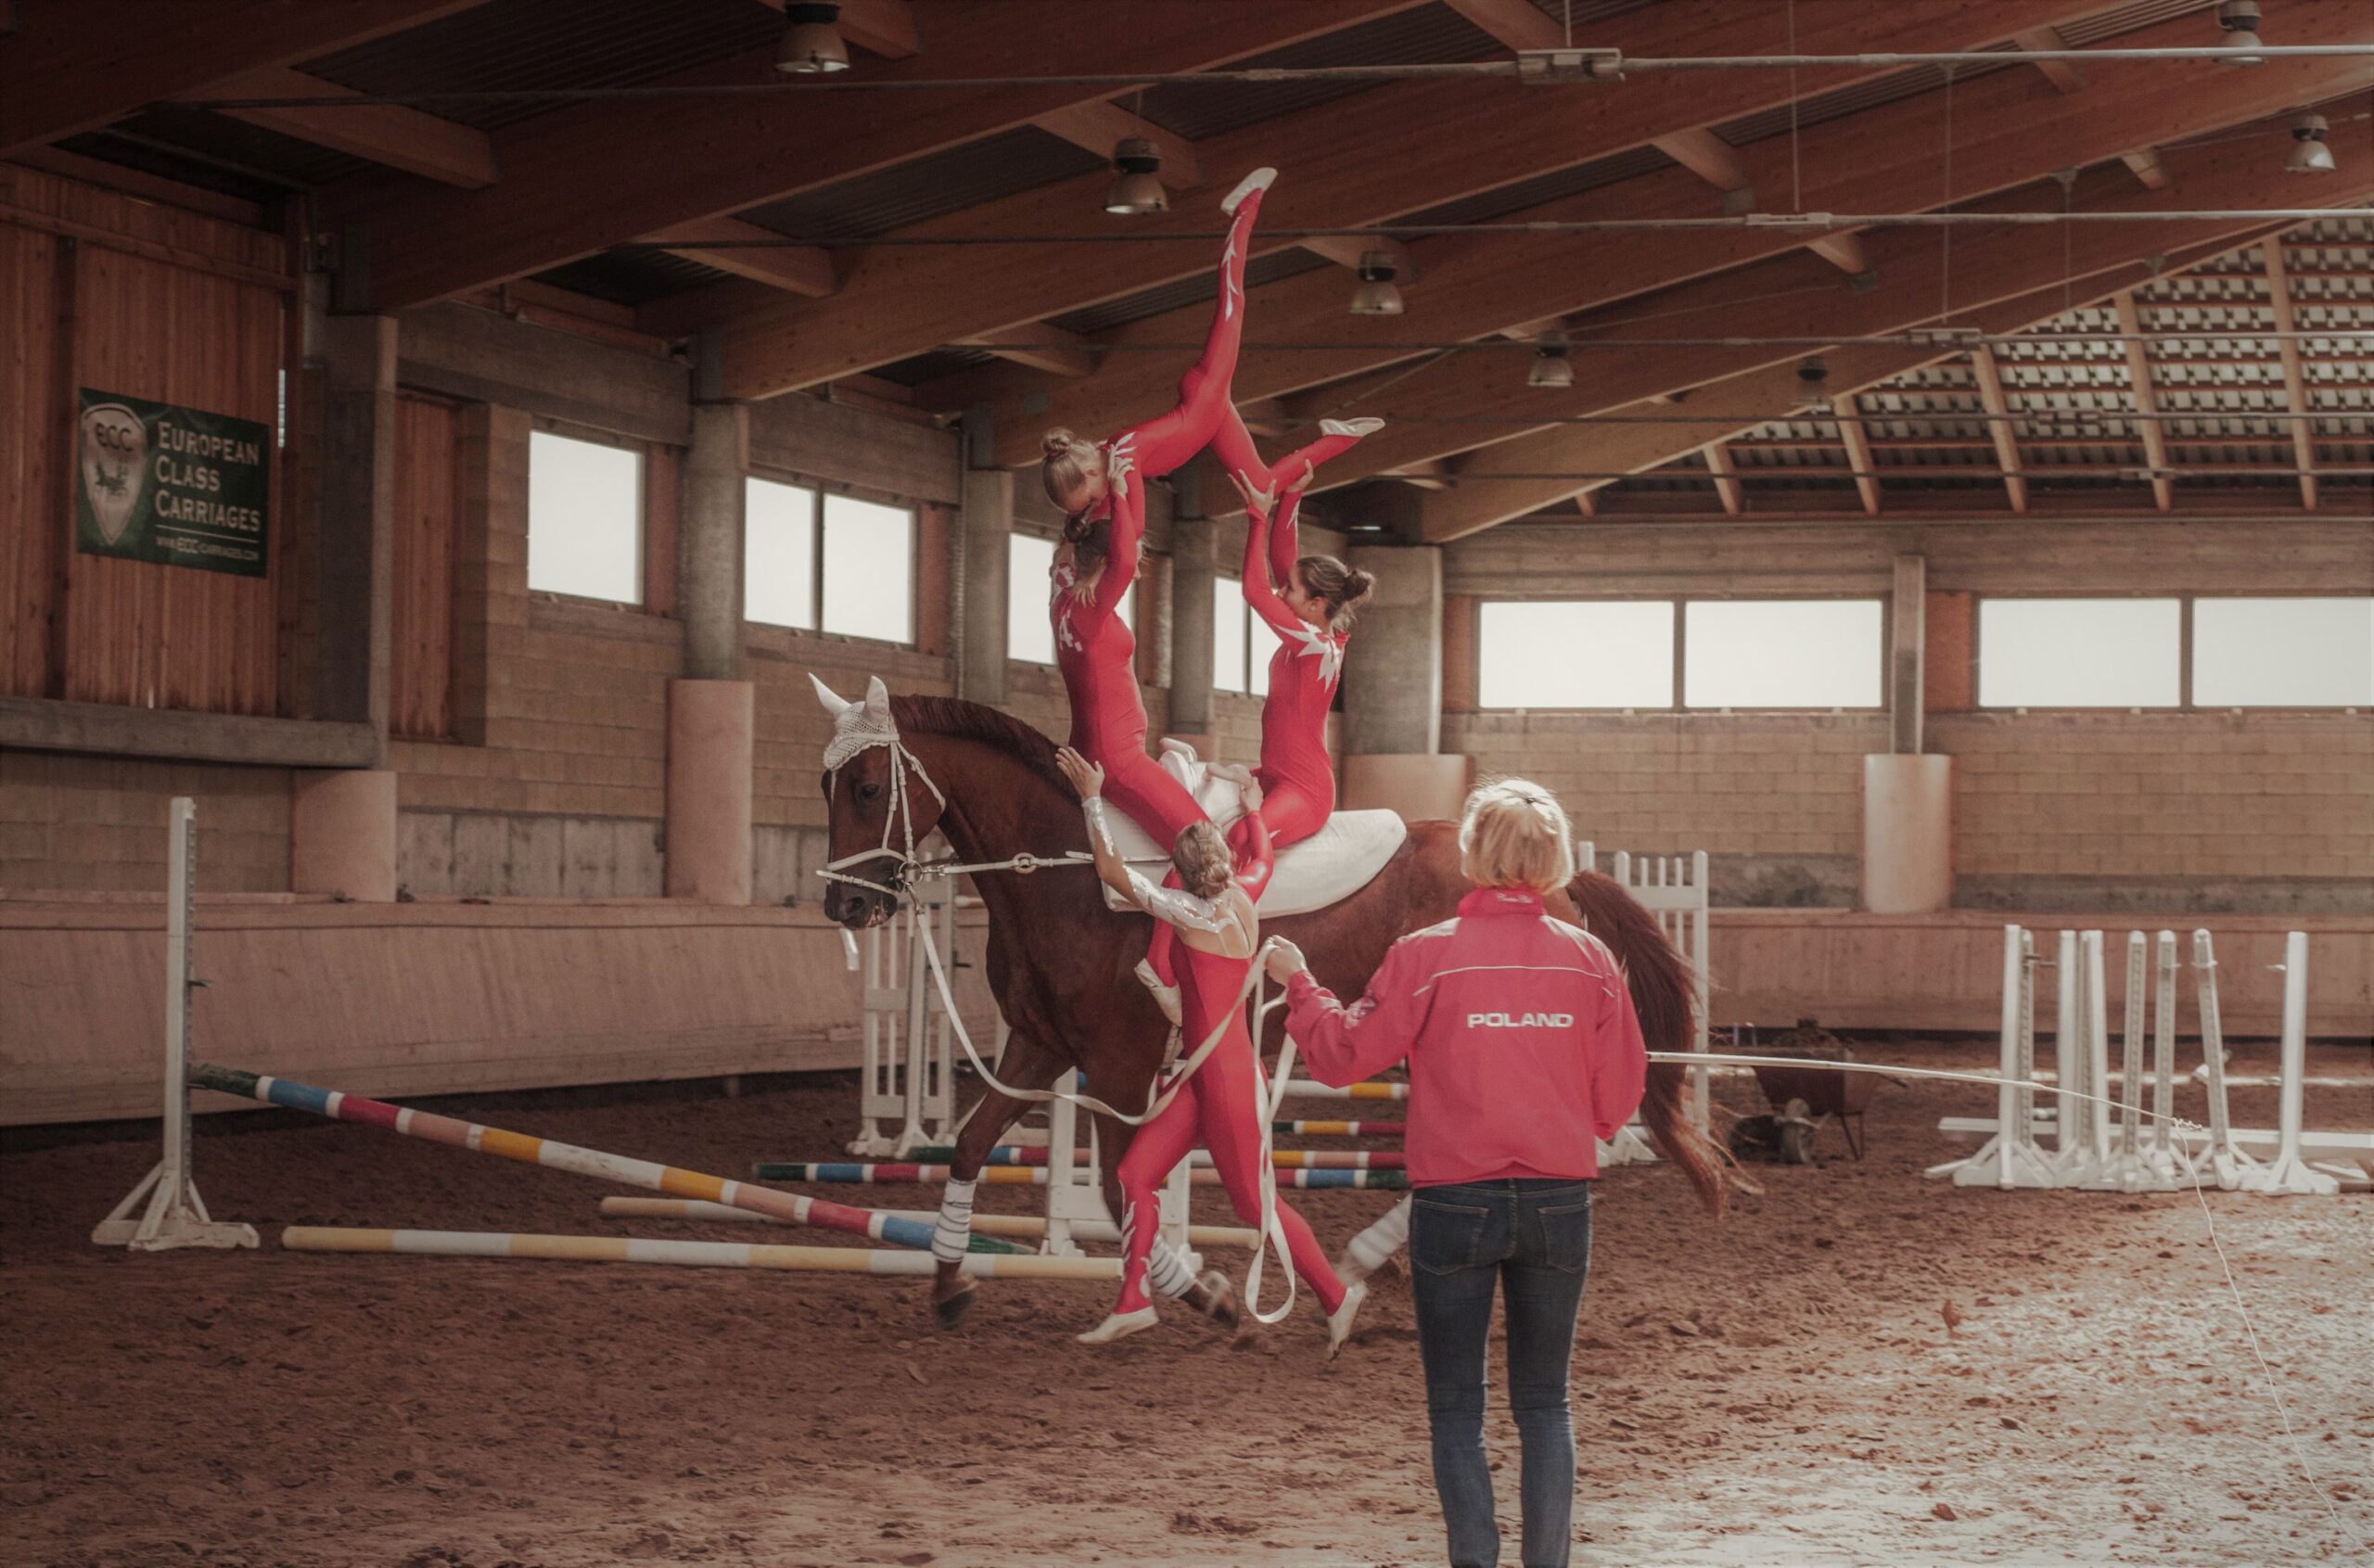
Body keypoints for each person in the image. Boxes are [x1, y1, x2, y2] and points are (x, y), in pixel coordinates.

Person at [1266, 779, 1647, 1568]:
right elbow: (1622, 1091)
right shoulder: (1592, 961)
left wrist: (1299, 986)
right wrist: (1572, 1129)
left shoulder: (1425, 955)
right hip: (1558, 1200)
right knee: (1546, 1403)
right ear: (1552, 862)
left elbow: (1341, 1055)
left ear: (1475, 857)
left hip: (1455, 1202)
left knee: (1456, 1407)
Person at [1053, 745, 1364, 1356]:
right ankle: (1133, 1301)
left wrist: (1092, 799)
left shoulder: (1187, 914)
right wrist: (1251, 809)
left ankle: (1336, 1294)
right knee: (1134, 1174)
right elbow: (1265, 854)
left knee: (1256, 1206)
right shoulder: (1247, 892)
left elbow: (1115, 875)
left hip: (1221, 1082)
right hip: (1205, 1075)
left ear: (1185, 874)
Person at [1043, 166, 1276, 857]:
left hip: (1199, 411)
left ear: (1088, 473)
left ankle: (1244, 217)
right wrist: (1089, 534)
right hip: (1203, 414)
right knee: (1268, 491)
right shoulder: (1106, 479)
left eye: (1081, 496)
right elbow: (1113, 540)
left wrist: (1120, 498)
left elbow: (1132, 539)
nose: (1086, 507)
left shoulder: (1119, 466)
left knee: (1233, 306)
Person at [1141, 463, 1378, 1009]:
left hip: (1304, 790)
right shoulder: (1315, 625)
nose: (1280, 589)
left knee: (1234, 848)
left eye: (1291, 590)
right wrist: (1290, 496)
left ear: (1316, 606)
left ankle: (1190, 958)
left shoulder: (1315, 647)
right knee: (1195, 826)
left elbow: (1252, 587)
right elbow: (1278, 565)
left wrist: (1255, 515)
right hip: (1270, 773)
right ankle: (1165, 945)